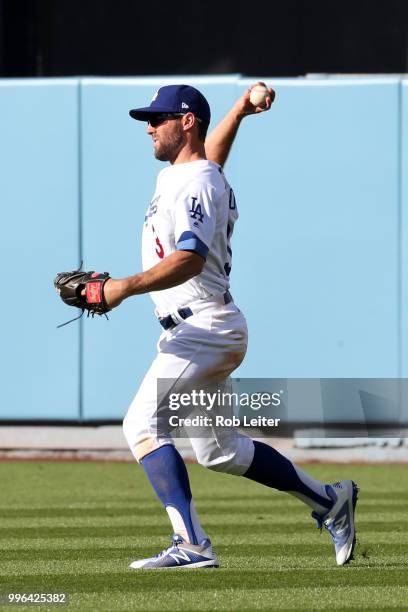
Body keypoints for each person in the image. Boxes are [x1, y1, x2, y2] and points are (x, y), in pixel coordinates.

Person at [101, 83, 358, 569]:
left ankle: (192, 543)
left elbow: (190, 258)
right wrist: (239, 109)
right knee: (221, 451)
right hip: (204, 325)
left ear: (187, 121)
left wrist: (123, 286)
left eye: (158, 118)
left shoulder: (194, 181)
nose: (150, 127)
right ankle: (330, 500)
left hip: (203, 328)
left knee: (140, 424)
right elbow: (208, 158)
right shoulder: (194, 172)